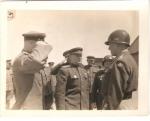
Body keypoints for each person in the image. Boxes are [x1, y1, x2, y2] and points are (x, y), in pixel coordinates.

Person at [12, 31, 52, 109]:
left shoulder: (31, 59)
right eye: (39, 46)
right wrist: (43, 47)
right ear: (29, 43)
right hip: (27, 109)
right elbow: (35, 61)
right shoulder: (21, 59)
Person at [104, 29, 138, 110]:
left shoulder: (121, 62)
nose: (109, 48)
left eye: (110, 44)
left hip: (118, 106)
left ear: (118, 45)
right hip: (128, 104)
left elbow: (115, 93)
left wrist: (109, 111)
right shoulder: (130, 59)